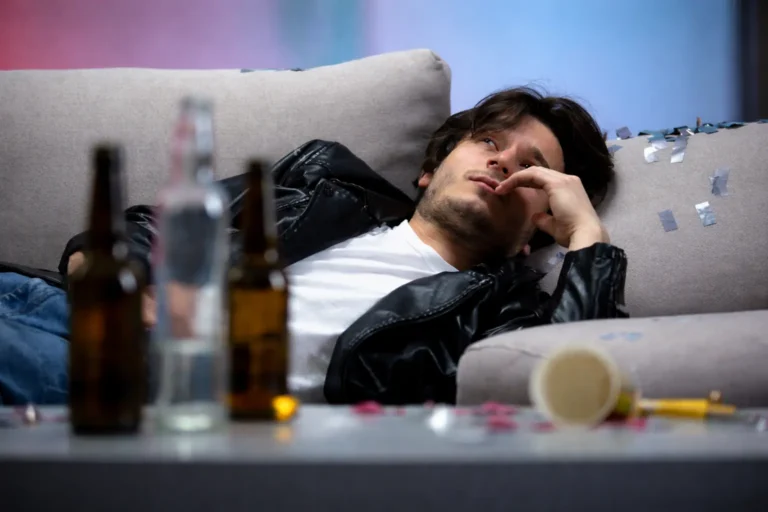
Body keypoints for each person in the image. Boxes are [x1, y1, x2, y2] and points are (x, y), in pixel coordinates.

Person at [0, 86, 627, 406]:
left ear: (542, 224)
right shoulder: (321, 179)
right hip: (53, 307)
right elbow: (141, 229)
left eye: (533, 169)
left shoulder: (499, 317)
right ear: (429, 171)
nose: (502, 164)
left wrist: (587, 238)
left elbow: (567, 389)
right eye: (490, 142)